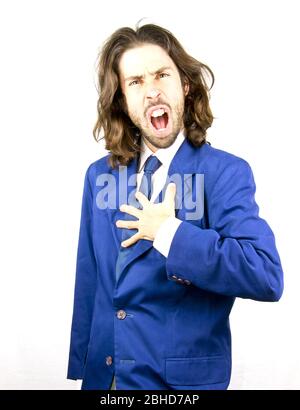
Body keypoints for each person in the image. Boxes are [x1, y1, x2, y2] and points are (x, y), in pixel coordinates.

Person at [66, 23, 284, 390]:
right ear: (122, 97)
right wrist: (86, 368)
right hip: (110, 380)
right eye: (135, 81)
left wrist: (170, 233)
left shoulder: (225, 173)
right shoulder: (99, 175)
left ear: (184, 85)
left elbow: (265, 274)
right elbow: (91, 279)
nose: (151, 91)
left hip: (179, 386)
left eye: (161, 75)